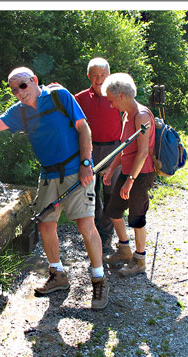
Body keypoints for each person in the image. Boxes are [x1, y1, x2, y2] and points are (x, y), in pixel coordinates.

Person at [0, 67, 108, 309]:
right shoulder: (20, 112)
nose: (19, 92)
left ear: (35, 81)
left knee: (85, 224)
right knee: (46, 224)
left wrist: (86, 163)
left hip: (76, 169)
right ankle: (58, 275)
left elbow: (84, 129)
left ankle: (99, 279)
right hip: (48, 174)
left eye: (23, 86)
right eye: (14, 89)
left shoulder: (60, 97)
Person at [101, 73, 156, 276]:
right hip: (127, 172)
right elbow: (124, 147)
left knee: (136, 216)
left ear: (122, 95)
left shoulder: (141, 116)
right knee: (113, 211)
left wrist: (130, 181)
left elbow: (142, 152)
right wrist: (112, 168)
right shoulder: (126, 115)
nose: (111, 105)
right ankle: (124, 251)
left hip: (141, 174)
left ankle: (139, 260)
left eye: (112, 100)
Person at [74, 58, 122, 251]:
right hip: (90, 151)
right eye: (95, 75)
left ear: (109, 75)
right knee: (91, 194)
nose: (99, 79)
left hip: (114, 150)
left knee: (111, 193)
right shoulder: (79, 98)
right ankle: (95, 233)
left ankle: (108, 232)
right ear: (88, 76)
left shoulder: (118, 95)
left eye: (102, 75)